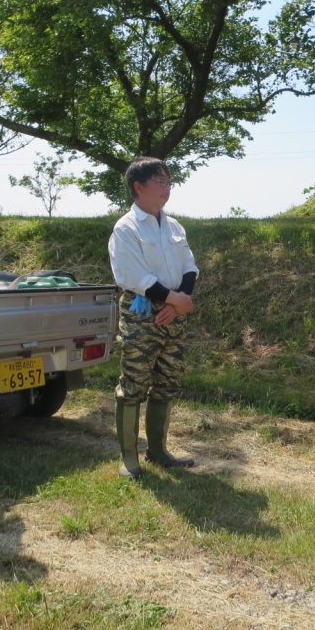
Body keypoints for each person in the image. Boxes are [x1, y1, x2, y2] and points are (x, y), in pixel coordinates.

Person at [108, 158, 198, 478]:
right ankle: (129, 458)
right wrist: (175, 300)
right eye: (159, 182)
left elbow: (189, 266)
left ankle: (158, 451)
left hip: (173, 312)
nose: (167, 187)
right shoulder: (126, 228)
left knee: (167, 381)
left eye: (168, 182)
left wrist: (180, 303)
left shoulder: (174, 226)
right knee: (134, 383)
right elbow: (135, 276)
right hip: (142, 313)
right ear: (139, 187)